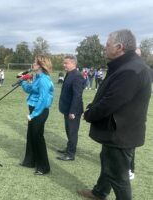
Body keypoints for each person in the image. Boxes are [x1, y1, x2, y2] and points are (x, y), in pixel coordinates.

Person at [79, 29, 152, 200]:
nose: (104, 47)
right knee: (108, 162)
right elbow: (110, 94)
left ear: (119, 47)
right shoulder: (129, 65)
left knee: (119, 177)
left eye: (107, 44)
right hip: (119, 128)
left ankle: (100, 192)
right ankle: (99, 192)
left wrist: (89, 113)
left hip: (121, 132)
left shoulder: (130, 70)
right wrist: (93, 106)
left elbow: (110, 102)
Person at [19, 55, 54, 175]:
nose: (32, 64)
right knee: (31, 136)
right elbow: (31, 89)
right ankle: (30, 161)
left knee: (38, 137)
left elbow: (43, 100)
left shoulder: (44, 79)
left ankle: (44, 167)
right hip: (34, 109)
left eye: (34, 63)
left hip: (39, 111)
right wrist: (23, 82)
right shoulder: (37, 77)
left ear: (40, 65)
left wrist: (33, 115)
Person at [57, 55, 84, 161]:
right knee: (68, 130)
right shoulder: (69, 74)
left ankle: (70, 154)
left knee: (72, 132)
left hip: (73, 111)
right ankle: (69, 148)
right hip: (67, 109)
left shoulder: (77, 76)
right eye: (64, 63)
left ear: (73, 63)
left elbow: (77, 95)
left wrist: (73, 111)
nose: (64, 65)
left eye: (66, 63)